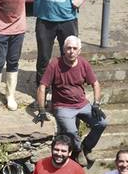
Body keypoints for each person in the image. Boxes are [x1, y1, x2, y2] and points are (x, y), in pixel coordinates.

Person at [35, 35, 107, 166]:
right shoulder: (55, 64)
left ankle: (87, 146)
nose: (71, 51)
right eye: (68, 48)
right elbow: (42, 86)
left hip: (82, 104)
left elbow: (96, 84)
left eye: (74, 48)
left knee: (102, 123)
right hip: (63, 106)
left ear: (79, 51)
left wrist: (96, 104)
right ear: (63, 49)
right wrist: (41, 110)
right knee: (71, 131)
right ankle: (78, 150)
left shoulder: (84, 63)